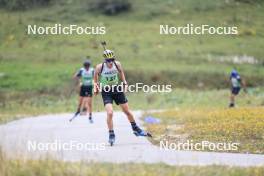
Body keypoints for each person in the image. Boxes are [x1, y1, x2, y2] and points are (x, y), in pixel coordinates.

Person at [94, 49, 151, 145]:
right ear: (105, 61)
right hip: (106, 91)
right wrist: (96, 86)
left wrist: (124, 82)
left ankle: (136, 129)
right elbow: (95, 77)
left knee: (127, 111)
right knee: (110, 113)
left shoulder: (117, 64)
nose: (111, 62)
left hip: (117, 89)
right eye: (108, 61)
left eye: (112, 60)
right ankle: (111, 134)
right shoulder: (100, 67)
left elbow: (121, 72)